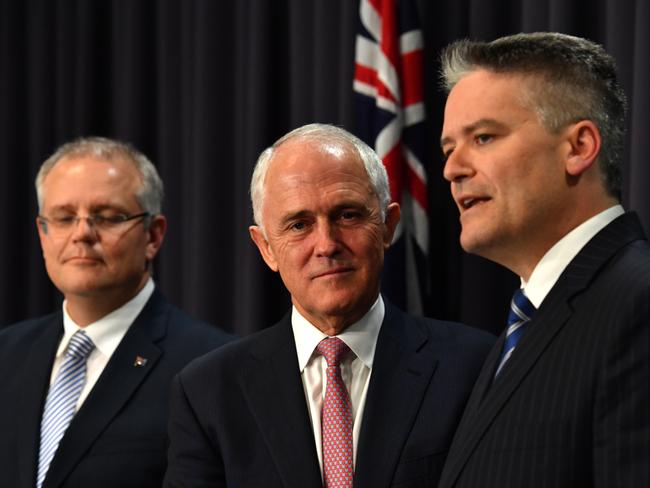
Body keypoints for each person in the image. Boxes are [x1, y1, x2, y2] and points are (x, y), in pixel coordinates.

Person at [163, 123, 495, 488]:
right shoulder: (207, 391)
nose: (326, 244)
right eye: (299, 224)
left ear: (388, 226)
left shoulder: (474, 366)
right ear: (266, 248)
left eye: (348, 215)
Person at [437, 32, 650, 487]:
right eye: (449, 149)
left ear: (577, 148)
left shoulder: (638, 305)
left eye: (484, 137)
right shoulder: (529, 323)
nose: (452, 169)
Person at [0, 137, 231, 488]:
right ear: (42, 233)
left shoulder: (212, 365)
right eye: (63, 218)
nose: (82, 233)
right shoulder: (7, 353)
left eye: (107, 217)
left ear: (153, 235)